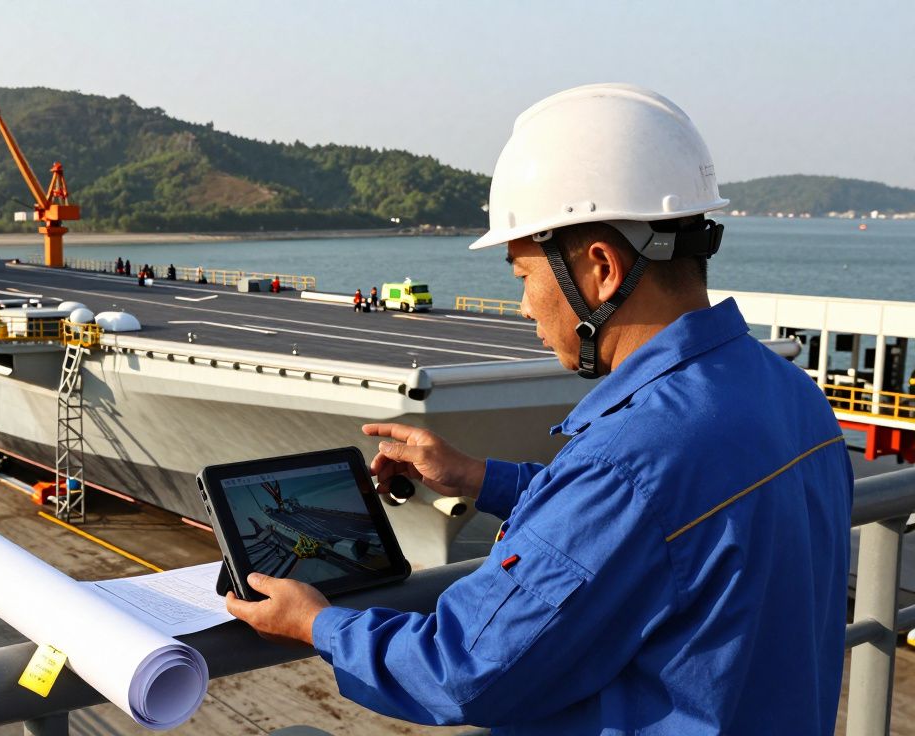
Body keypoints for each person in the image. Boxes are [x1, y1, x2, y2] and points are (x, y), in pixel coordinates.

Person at [225, 84, 853, 734]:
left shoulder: (632, 463)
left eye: (524, 276)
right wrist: (479, 477)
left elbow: (463, 669)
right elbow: (651, 526)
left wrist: (316, 623)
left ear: (601, 269)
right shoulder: (789, 394)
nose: (524, 306)